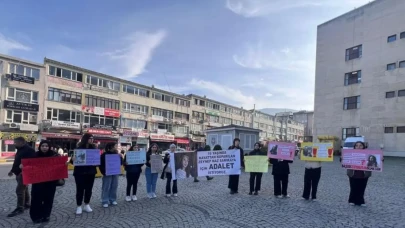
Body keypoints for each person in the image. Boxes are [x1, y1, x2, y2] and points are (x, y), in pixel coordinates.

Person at [28, 141, 60, 223]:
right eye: (43, 146)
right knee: (36, 199)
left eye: (46, 146)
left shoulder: (55, 155)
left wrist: (64, 164)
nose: (44, 147)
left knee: (48, 199)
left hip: (50, 182)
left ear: (49, 147)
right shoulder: (34, 155)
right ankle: (36, 217)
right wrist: (22, 166)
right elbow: (28, 166)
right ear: (40, 147)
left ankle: (46, 215)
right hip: (38, 182)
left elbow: (59, 166)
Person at [7, 137, 36, 218]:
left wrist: (23, 171)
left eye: (15, 143)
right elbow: (17, 161)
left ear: (21, 143)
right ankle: (27, 203)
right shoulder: (20, 149)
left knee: (19, 190)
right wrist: (12, 171)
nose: (14, 144)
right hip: (18, 173)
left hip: (23, 174)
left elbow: (32, 162)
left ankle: (20, 208)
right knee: (25, 189)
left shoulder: (29, 150)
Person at [70, 133, 97, 214]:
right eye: (90, 138)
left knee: (89, 189)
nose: (92, 139)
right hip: (80, 172)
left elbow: (97, 160)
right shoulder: (78, 149)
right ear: (86, 139)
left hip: (91, 172)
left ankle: (87, 204)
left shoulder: (94, 149)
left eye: (92, 138)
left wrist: (97, 162)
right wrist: (73, 159)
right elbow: (72, 161)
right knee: (80, 189)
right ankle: (79, 206)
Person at [347, 141, 371, 206]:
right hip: (353, 173)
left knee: (362, 188)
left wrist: (381, 159)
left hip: (364, 174)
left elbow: (376, 160)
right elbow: (344, 161)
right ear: (354, 147)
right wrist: (342, 158)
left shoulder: (368, 154)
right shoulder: (350, 153)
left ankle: (361, 201)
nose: (358, 147)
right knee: (353, 187)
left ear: (363, 147)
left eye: (360, 145)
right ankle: (351, 200)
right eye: (357, 145)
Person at [99, 142, 122, 208]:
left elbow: (120, 163)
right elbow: (101, 164)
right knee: (106, 187)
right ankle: (105, 200)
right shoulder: (104, 155)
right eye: (115, 146)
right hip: (107, 173)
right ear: (111, 147)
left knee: (114, 186)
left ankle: (112, 199)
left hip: (115, 172)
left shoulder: (117, 154)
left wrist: (120, 157)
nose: (116, 147)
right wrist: (104, 172)